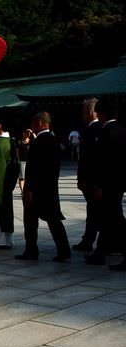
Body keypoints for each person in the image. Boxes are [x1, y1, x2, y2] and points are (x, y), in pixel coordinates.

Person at [16, 112, 71, 262]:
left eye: (34, 123)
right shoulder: (53, 140)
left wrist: (29, 189)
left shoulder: (39, 141)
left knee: (31, 222)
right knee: (54, 220)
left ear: (40, 123)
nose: (32, 126)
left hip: (36, 189)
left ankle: (31, 250)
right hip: (50, 187)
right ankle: (64, 250)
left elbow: (34, 168)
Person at [85, 99, 126, 270]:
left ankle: (105, 251)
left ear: (101, 114)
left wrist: (99, 186)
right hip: (118, 183)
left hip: (107, 184)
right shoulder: (122, 131)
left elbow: (104, 163)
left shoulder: (106, 132)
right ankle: (101, 251)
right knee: (109, 218)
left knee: (114, 219)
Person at [74, 98, 102, 253]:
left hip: (92, 181)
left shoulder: (92, 131)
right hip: (96, 181)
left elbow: (87, 159)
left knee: (94, 212)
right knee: (95, 212)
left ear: (90, 113)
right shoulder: (100, 129)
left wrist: (83, 179)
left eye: (84, 112)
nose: (83, 115)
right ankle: (89, 240)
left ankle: (89, 241)